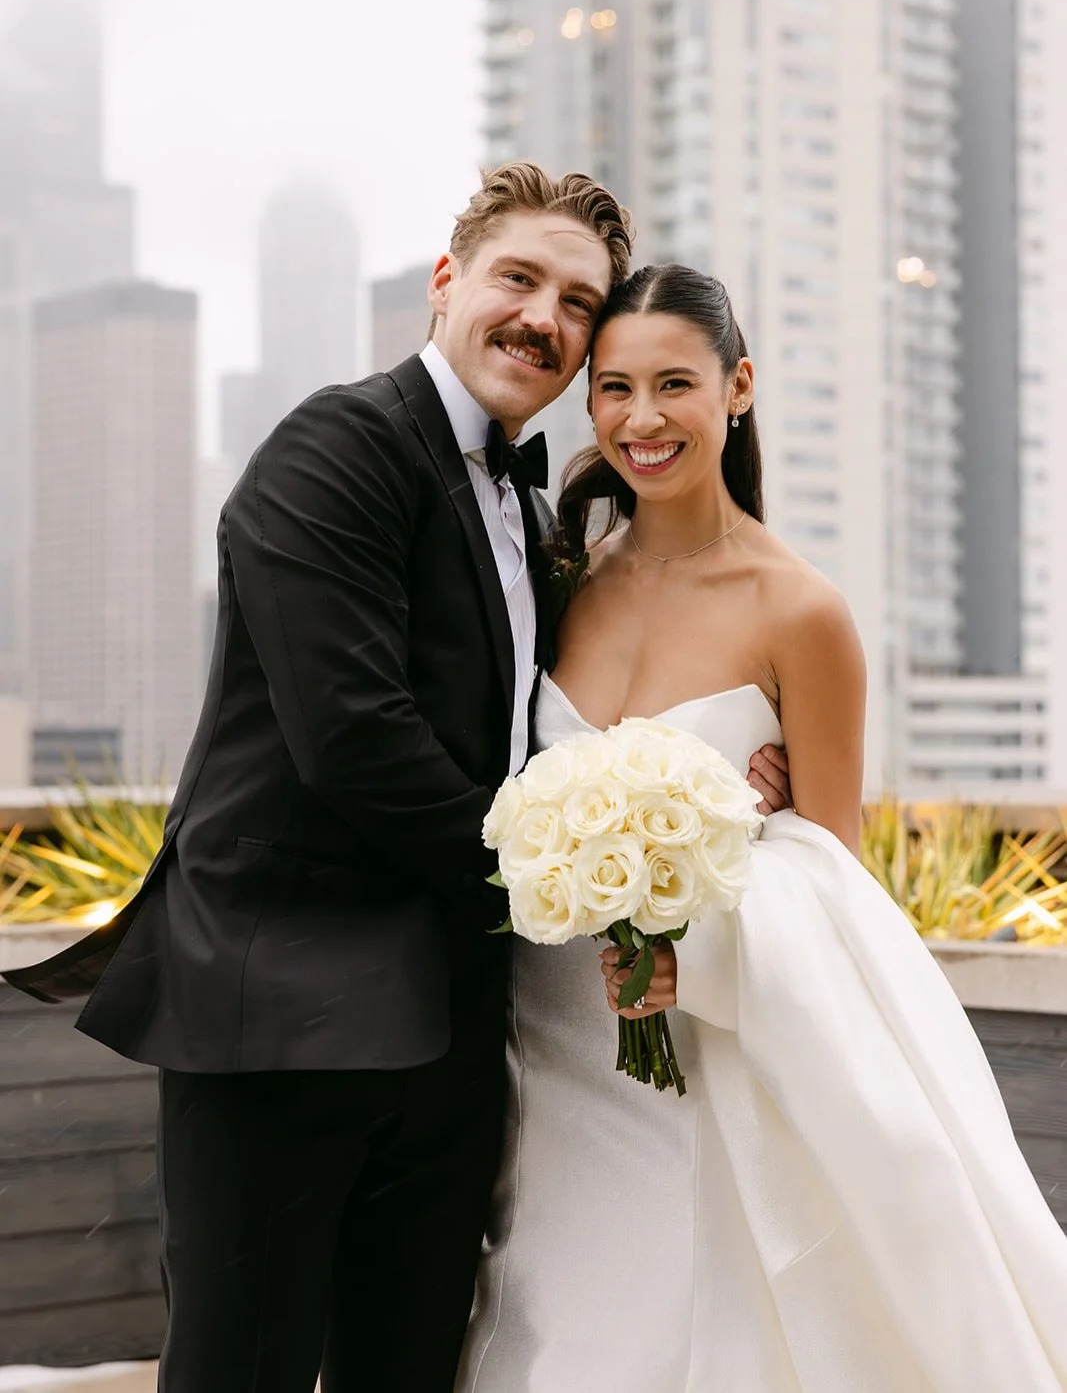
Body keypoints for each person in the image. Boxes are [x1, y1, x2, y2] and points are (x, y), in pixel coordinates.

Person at [2, 169, 790, 1391]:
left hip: (457, 1035)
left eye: (575, 302)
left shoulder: (535, 511)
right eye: (517, 278)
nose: (542, 316)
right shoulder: (333, 448)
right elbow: (356, 740)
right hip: (286, 1026)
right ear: (445, 282)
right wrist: (577, 894)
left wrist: (721, 791)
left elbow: (555, 735)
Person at [457, 263, 1067, 1393]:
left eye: (673, 385)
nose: (641, 420)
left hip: (702, 1069)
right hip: (544, 1062)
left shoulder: (802, 612)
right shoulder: (558, 582)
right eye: (614, 388)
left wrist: (699, 936)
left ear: (736, 388)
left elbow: (838, 898)